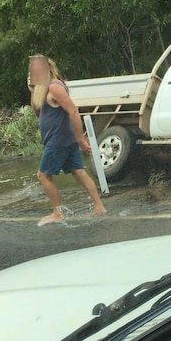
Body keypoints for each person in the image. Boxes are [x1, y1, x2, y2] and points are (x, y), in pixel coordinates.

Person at [27, 54, 107, 225]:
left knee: (43, 175)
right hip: (62, 140)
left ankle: (57, 213)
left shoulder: (55, 87)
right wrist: (33, 92)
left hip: (59, 141)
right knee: (78, 172)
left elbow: (73, 111)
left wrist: (81, 139)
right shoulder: (44, 89)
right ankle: (99, 206)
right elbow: (38, 113)